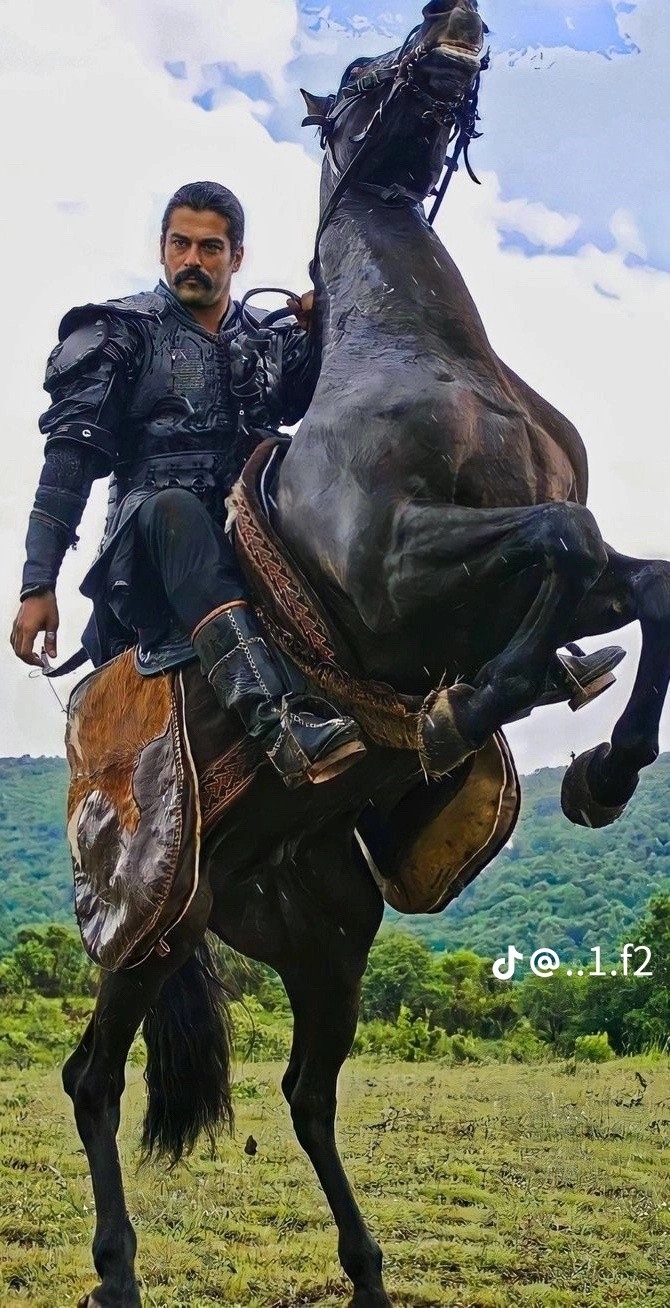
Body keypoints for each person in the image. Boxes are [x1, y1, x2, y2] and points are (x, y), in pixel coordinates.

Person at [10, 180, 365, 788]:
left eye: (210, 247)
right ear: (162, 247)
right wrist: (37, 583)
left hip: (252, 523)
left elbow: (323, 402)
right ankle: (277, 721)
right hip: (150, 542)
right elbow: (68, 460)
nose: (192, 260)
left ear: (237, 256)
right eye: (181, 244)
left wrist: (322, 330)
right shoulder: (120, 331)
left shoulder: (269, 336)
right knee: (173, 509)